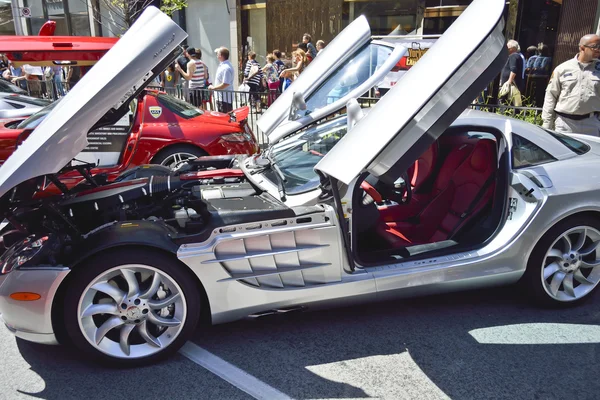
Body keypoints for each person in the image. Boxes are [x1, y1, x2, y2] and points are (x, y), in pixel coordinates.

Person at [542, 34, 600, 136]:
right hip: (564, 123)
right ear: (582, 48)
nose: (598, 50)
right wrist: (547, 123)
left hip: (591, 124)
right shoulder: (562, 68)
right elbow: (551, 95)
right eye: (595, 46)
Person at [209, 46, 234, 113]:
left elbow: (225, 83)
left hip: (224, 99)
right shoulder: (224, 66)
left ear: (220, 55)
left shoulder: (226, 68)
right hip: (222, 97)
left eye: (217, 53)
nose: (216, 55)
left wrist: (213, 88)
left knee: (224, 117)